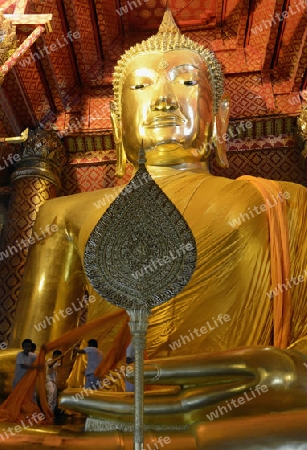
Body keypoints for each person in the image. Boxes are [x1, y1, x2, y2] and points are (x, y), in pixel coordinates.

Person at [6, 8, 307, 444]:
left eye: (186, 82)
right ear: (115, 124)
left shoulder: (286, 201)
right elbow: (30, 360)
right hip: (98, 422)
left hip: (238, 424)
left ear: (219, 118)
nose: (163, 98)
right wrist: (29, 387)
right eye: (142, 86)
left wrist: (284, 377)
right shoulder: (64, 213)